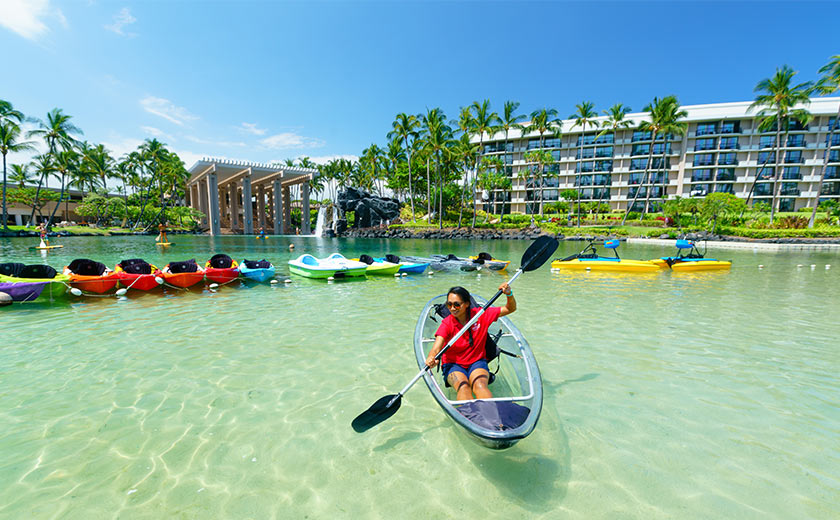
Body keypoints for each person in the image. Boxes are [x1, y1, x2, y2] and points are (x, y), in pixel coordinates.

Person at [425, 283, 516, 401]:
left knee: (480, 386)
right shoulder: (447, 323)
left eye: (457, 305)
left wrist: (509, 294)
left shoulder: (480, 315)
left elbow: (510, 308)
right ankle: (467, 416)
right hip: (453, 365)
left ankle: (491, 415)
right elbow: (437, 346)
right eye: (449, 304)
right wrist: (432, 357)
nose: (452, 308)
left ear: (467, 304)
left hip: (477, 362)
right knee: (464, 387)